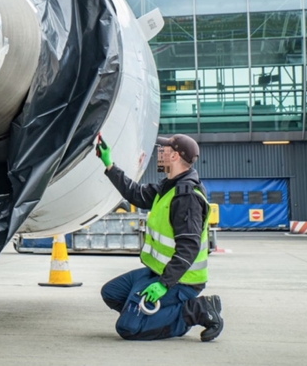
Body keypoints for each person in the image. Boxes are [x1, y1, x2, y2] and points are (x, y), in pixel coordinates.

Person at [95, 133, 224, 342]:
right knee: (111, 292)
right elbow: (135, 193)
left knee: (128, 329)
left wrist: (164, 284)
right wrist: (109, 163)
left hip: (181, 281)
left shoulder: (187, 197)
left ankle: (197, 310)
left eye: (163, 149)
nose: (159, 153)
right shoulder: (168, 186)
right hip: (157, 271)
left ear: (174, 156)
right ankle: (145, 316)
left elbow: (188, 248)